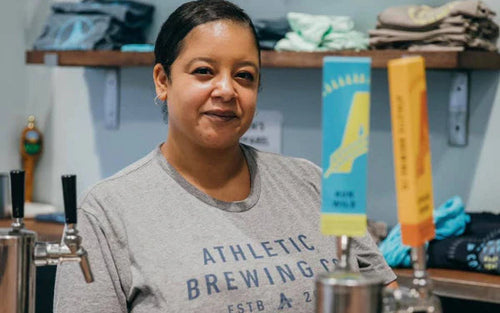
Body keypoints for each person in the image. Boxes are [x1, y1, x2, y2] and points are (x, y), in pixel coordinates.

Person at [53, 1, 396, 312]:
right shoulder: (106, 213)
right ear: (162, 80)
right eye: (204, 71)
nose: (227, 90)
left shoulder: (313, 184)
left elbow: (387, 296)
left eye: (244, 76)